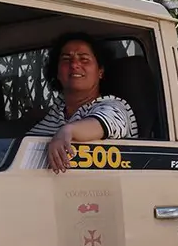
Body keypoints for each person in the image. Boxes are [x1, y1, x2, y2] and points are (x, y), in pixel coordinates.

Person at [27, 31, 138, 172]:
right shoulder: (57, 110)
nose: (74, 65)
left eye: (84, 59)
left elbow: (105, 122)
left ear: (100, 71)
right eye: (66, 59)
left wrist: (68, 131)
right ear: (57, 73)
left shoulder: (115, 106)